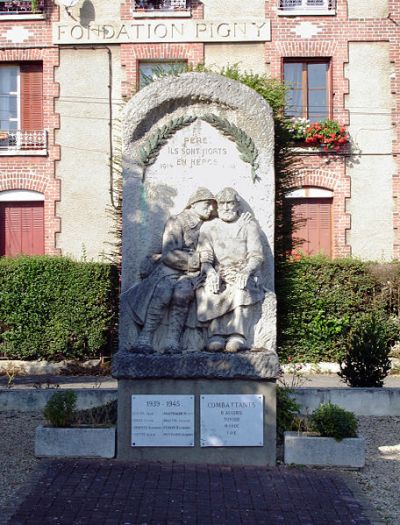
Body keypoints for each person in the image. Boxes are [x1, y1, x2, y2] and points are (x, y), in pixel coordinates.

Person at [122, 187, 216, 354]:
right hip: (169, 271)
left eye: (212, 206)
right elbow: (169, 253)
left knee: (184, 291)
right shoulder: (177, 221)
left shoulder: (211, 225)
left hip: (192, 275)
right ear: (193, 205)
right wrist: (196, 258)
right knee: (163, 291)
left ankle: (172, 339)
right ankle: (146, 336)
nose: (211, 209)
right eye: (207, 205)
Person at [196, 187, 264, 352]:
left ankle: (237, 335)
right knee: (209, 289)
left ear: (237, 205)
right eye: (222, 204)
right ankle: (216, 334)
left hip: (242, 271)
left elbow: (256, 256)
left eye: (230, 203)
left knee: (240, 288)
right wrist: (210, 272)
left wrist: (246, 271)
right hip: (219, 272)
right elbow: (205, 257)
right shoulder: (208, 227)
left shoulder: (248, 225)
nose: (226, 207)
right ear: (217, 206)